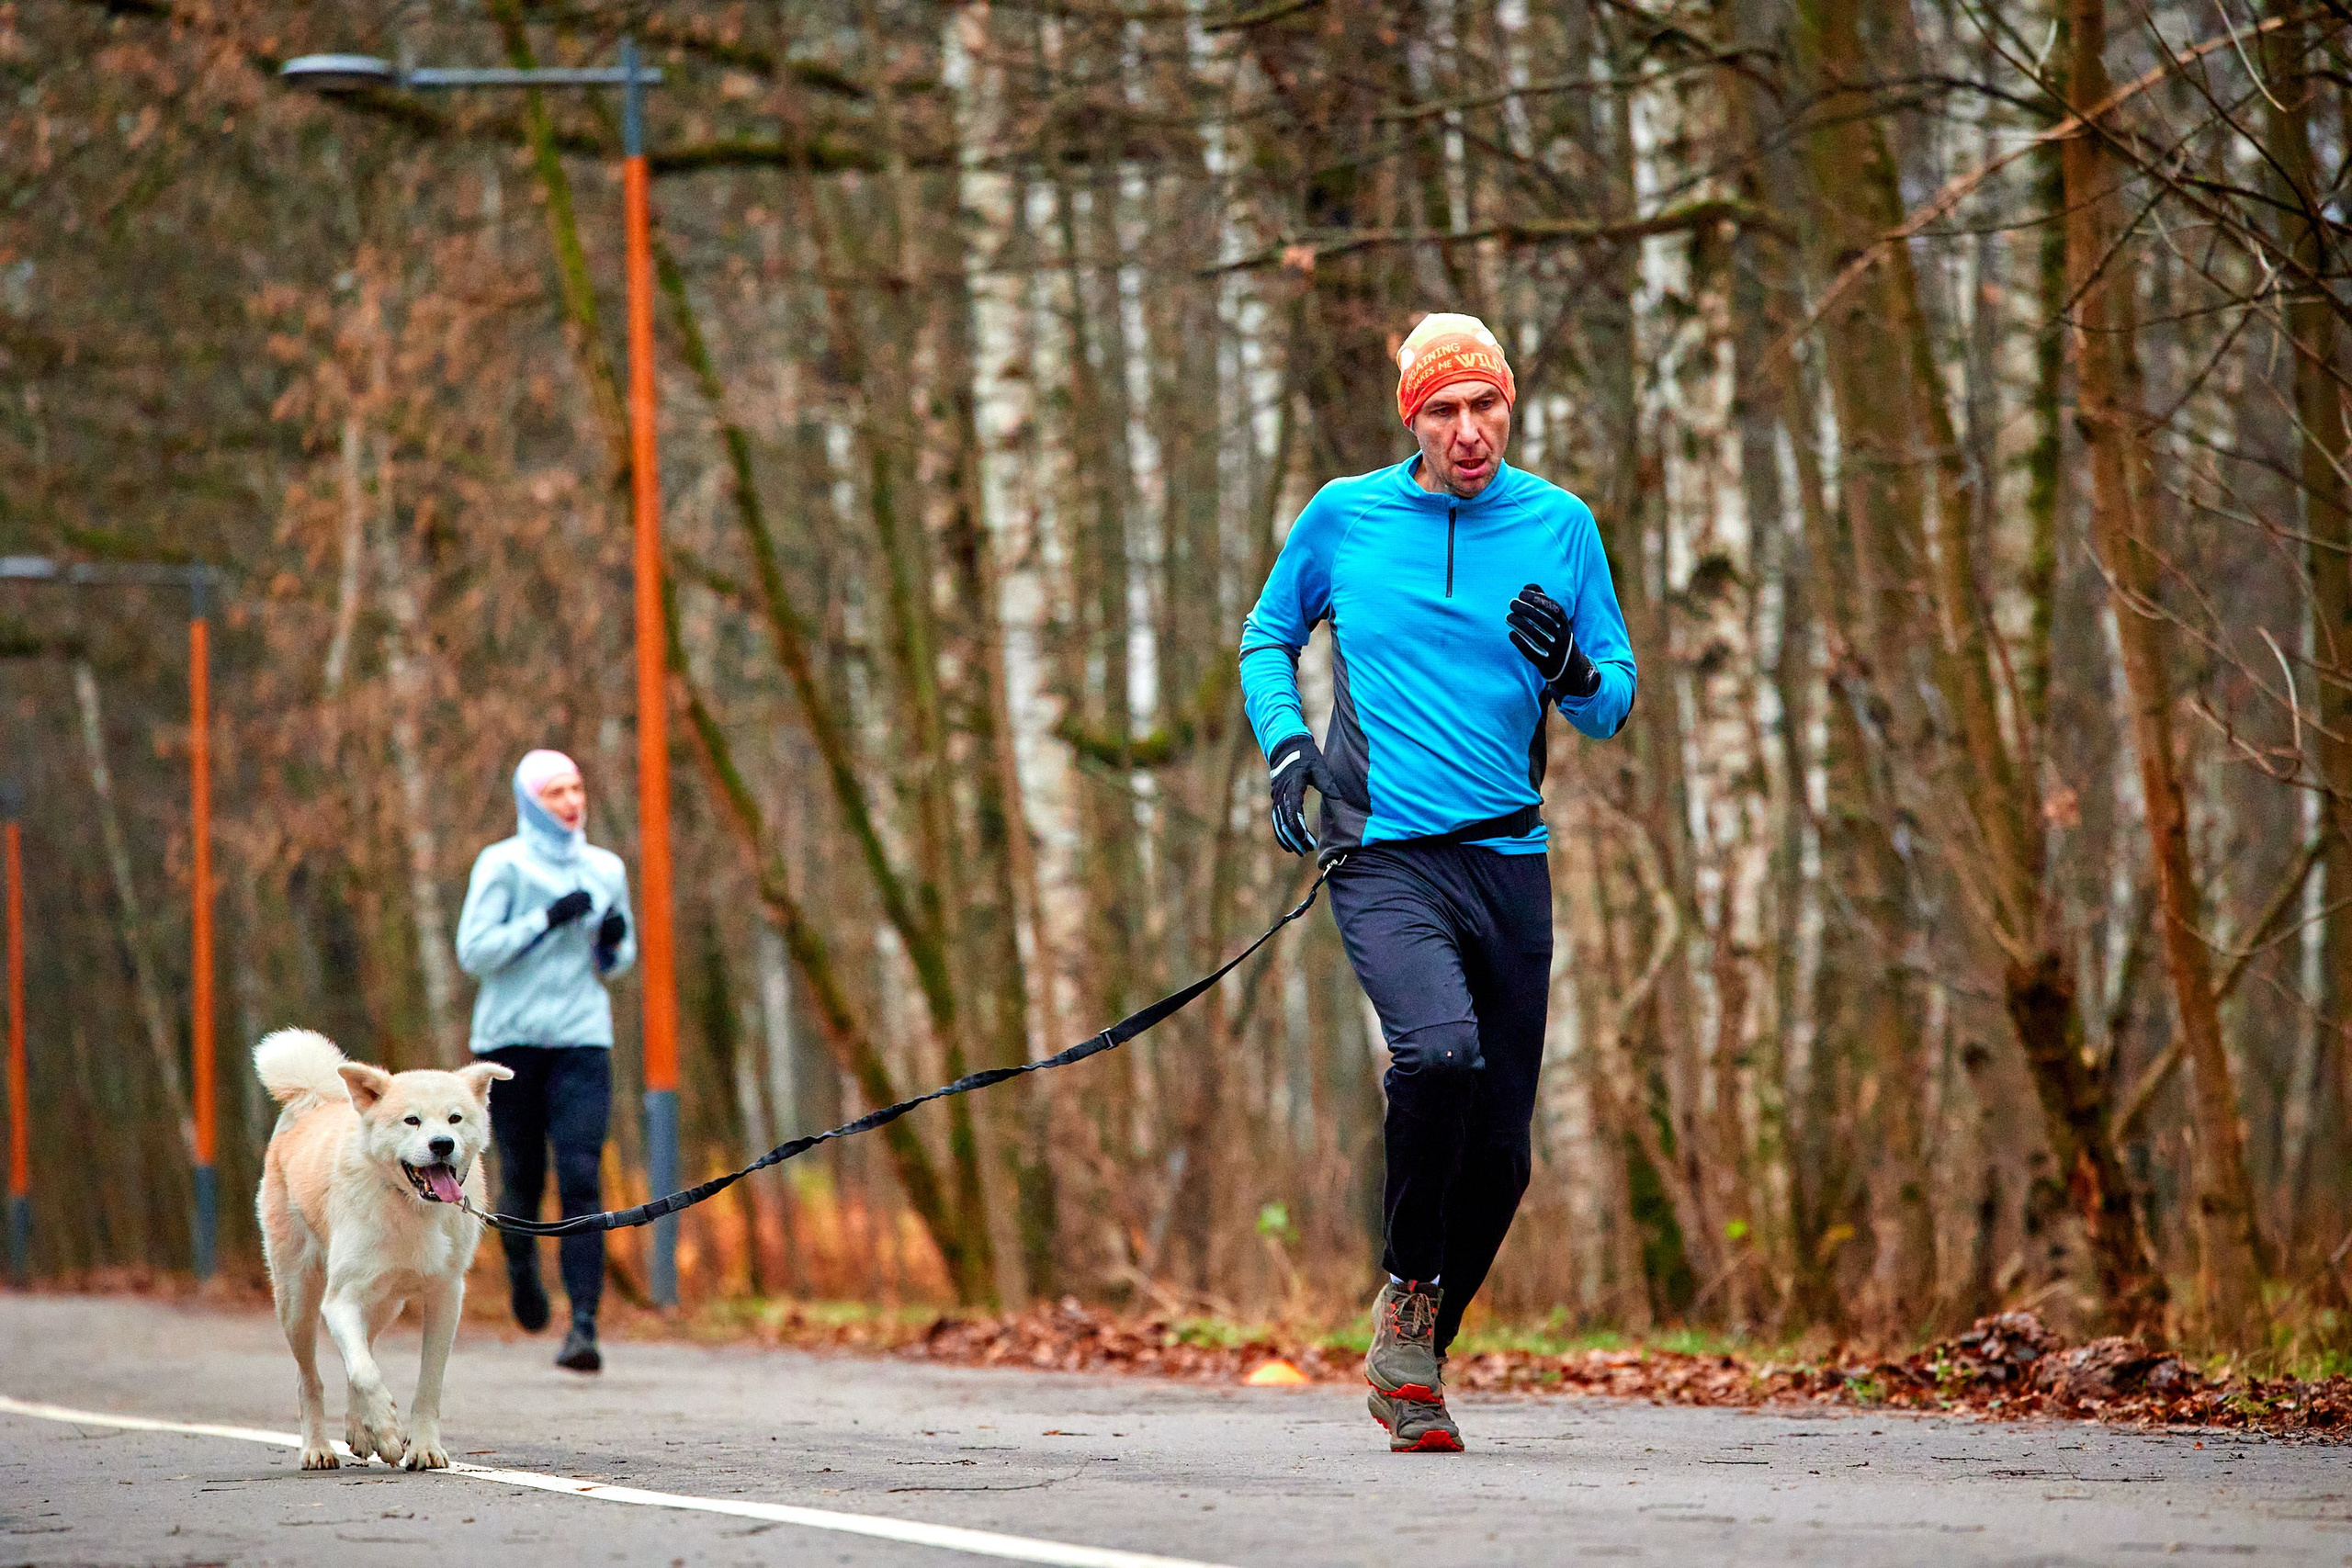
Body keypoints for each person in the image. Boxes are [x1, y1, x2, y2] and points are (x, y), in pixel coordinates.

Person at [1238, 312, 1636, 1451]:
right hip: (1384, 853)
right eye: (1445, 411)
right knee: (1437, 1055)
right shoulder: (1346, 515)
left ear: (1509, 406)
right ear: (1412, 417)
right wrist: (1286, 740)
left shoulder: (1559, 525)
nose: (1469, 431)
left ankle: (1414, 1348)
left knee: (1503, 1157)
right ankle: (1409, 1302)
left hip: (1508, 856)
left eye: (1486, 406)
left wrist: (1570, 668)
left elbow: (1611, 699)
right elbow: (1270, 634)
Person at [455, 749, 636, 1373]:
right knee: (523, 1176)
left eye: (577, 787)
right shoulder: (502, 864)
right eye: (556, 791)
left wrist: (612, 942)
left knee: (582, 1174)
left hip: (583, 1038)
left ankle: (584, 1323)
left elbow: (619, 954)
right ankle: (523, 1272)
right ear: (532, 801)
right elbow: (473, 950)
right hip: (510, 1043)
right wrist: (544, 918)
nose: (571, 800)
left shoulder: (606, 867)